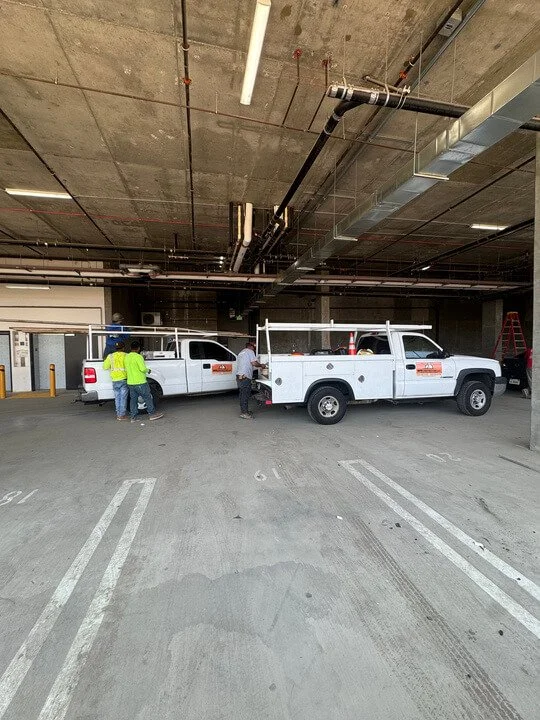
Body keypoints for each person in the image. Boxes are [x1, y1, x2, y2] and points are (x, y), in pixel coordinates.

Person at [124, 341, 164, 422]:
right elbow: (142, 369)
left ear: (131, 348)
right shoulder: (139, 357)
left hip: (130, 382)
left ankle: (133, 417)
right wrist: (148, 370)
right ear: (138, 348)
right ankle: (152, 414)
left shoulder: (126, 357)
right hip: (140, 382)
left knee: (133, 400)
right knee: (147, 397)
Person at [236, 341, 266, 419]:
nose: (254, 348)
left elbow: (248, 364)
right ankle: (244, 413)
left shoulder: (242, 352)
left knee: (243, 394)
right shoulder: (250, 351)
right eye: (254, 347)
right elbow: (254, 363)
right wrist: (261, 365)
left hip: (240, 376)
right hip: (245, 377)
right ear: (251, 346)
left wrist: (258, 367)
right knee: (245, 395)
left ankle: (244, 411)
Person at [103, 341, 128, 420]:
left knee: (117, 398)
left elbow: (105, 367)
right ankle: (122, 415)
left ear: (115, 348)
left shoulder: (110, 356)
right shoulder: (126, 356)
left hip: (115, 380)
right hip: (124, 379)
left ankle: (118, 414)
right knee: (123, 398)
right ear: (123, 348)